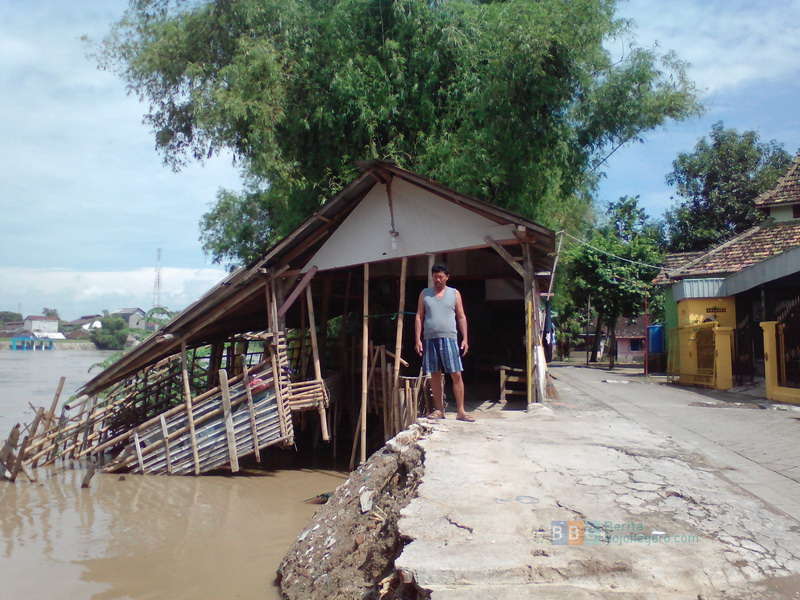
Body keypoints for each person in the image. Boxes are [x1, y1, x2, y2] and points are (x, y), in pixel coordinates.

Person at [414, 264, 474, 422]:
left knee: (456, 373)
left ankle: (461, 411)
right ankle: (439, 410)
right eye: (435, 277)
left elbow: (461, 316)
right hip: (429, 338)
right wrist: (417, 339)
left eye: (440, 277)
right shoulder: (425, 294)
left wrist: (465, 338)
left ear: (447, 277)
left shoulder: (454, 293)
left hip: (450, 338)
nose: (438, 280)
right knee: (434, 374)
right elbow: (419, 316)